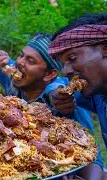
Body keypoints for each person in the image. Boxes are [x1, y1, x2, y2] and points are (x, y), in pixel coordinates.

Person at [0, 33, 104, 175]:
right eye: (21, 55)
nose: (20, 62)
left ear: (49, 74)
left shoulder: (67, 100)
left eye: (30, 61)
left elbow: (91, 154)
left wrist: (55, 96)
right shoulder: (13, 75)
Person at [48, 13, 107, 180]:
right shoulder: (98, 95)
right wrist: (57, 93)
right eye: (63, 63)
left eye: (72, 58)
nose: (66, 70)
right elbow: (55, 85)